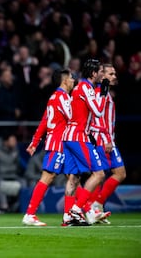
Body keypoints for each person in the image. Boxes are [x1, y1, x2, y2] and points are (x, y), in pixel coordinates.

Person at [22, 69, 75, 226]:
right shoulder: (63, 97)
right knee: (48, 176)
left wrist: (34, 143)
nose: (74, 81)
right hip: (58, 142)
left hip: (61, 143)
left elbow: (45, 121)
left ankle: (69, 215)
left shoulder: (54, 97)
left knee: (73, 177)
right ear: (64, 80)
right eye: (72, 78)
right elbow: (73, 118)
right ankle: (30, 214)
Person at [62, 59, 110, 225]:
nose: (102, 75)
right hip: (78, 136)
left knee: (74, 178)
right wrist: (103, 92)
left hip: (69, 135)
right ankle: (76, 209)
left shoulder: (79, 87)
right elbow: (97, 111)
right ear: (93, 73)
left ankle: (67, 217)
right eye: (100, 72)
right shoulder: (85, 87)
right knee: (99, 174)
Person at [83, 63, 125, 224]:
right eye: (111, 73)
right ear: (102, 75)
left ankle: (96, 205)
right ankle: (90, 206)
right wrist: (107, 139)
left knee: (116, 174)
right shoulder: (99, 92)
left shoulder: (106, 92)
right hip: (101, 139)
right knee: (101, 175)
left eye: (115, 73)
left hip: (108, 139)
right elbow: (96, 117)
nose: (114, 76)